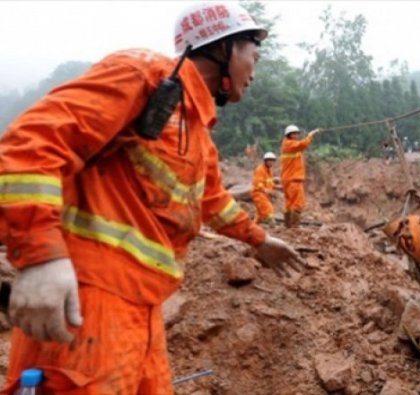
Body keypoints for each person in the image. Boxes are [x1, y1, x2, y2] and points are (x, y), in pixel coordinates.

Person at [0, 3, 304, 394]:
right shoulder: (142, 76)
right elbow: (29, 146)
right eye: (254, 56)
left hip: (143, 312)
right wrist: (41, 258)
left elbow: (213, 201)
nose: (255, 72)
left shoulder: (196, 131)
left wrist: (261, 240)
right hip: (88, 302)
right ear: (224, 47)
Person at [280, 125, 319, 228]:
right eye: (294, 134)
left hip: (288, 179)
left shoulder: (288, 144)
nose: (297, 135)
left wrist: (310, 137)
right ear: (289, 135)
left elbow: (300, 145)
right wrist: (310, 135)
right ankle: (294, 227)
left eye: (297, 133)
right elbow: (303, 144)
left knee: (289, 204)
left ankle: (288, 226)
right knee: (298, 203)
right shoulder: (290, 144)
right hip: (293, 179)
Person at [252, 152, 278, 225]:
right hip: (258, 193)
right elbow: (258, 183)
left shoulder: (269, 170)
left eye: (272, 161)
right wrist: (265, 190)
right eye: (270, 161)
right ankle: (272, 225)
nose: (271, 163)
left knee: (259, 214)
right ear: (265, 161)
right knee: (268, 208)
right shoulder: (260, 169)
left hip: (265, 194)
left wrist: (276, 188)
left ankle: (253, 226)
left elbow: (269, 183)